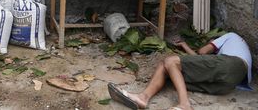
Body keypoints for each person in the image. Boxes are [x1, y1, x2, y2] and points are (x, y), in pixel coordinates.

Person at [108, 32, 252, 110]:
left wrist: (195, 46)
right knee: (170, 71)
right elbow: (201, 63)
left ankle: (185, 105)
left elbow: (202, 52)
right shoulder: (239, 48)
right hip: (228, 84)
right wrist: (185, 46)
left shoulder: (230, 35)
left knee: (171, 61)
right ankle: (142, 98)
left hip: (231, 64)